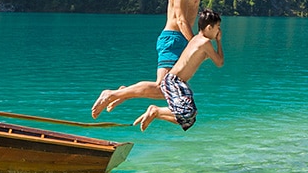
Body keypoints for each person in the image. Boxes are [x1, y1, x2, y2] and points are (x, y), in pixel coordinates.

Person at [94, 0, 244, 118]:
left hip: (183, 39)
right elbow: (181, 20)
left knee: (166, 89)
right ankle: (113, 94)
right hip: (172, 39)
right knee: (162, 87)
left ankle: (124, 93)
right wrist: (194, 45)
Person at [92, 10, 224, 131]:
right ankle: (147, 107)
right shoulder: (205, 42)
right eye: (218, 27)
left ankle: (155, 112)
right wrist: (219, 42)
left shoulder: (196, 40)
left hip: (178, 82)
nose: (218, 31)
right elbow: (219, 62)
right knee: (187, 112)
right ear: (209, 27)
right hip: (174, 81)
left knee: (189, 119)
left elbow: (201, 57)